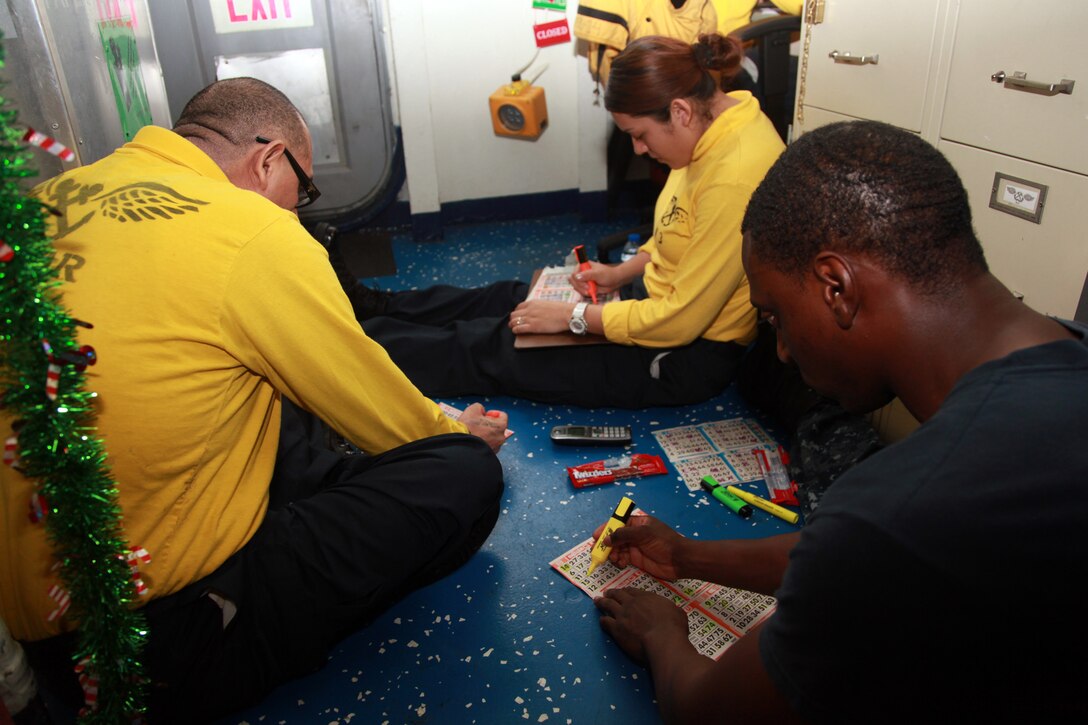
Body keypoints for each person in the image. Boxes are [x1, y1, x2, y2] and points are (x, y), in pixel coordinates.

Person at [0, 77, 509, 722]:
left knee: (259, 393)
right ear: (270, 161)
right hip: (151, 648)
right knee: (462, 473)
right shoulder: (253, 229)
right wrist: (461, 435)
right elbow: (397, 426)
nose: (298, 211)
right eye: (304, 191)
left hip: (30, 635)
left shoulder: (44, 201)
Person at [591, 120, 1088, 721]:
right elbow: (847, 556)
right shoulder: (1060, 358)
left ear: (836, 287)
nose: (780, 351)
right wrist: (688, 558)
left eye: (775, 317)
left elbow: (709, 711)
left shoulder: (903, 510)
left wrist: (663, 635)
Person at [350, 33, 785, 408]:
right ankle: (375, 309)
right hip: (650, 301)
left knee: (495, 346)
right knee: (506, 298)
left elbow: (679, 321)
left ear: (680, 112)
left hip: (680, 353)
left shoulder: (733, 175)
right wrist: (620, 273)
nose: (638, 150)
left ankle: (350, 355)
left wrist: (574, 317)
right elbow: (680, 228)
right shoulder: (710, 130)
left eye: (639, 135)